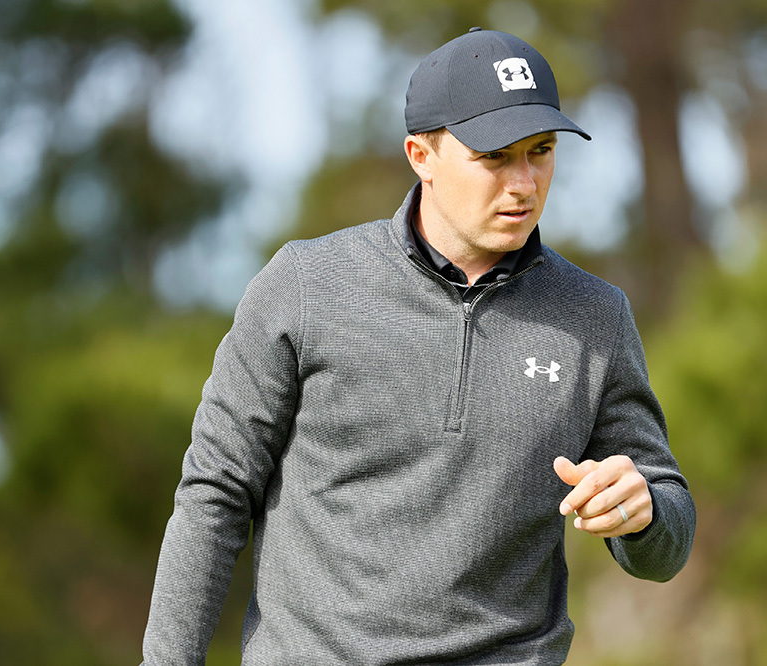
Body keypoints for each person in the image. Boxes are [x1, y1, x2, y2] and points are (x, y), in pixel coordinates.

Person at [142, 27, 695, 665]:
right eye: (495, 156)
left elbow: (667, 536)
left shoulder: (595, 315)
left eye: (541, 151)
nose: (524, 183)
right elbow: (215, 493)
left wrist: (644, 512)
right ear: (420, 155)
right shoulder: (305, 285)